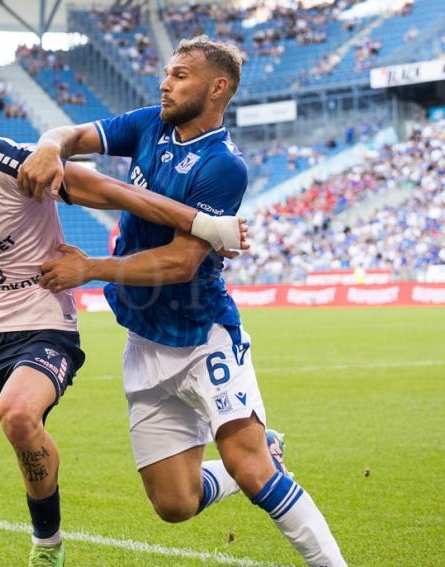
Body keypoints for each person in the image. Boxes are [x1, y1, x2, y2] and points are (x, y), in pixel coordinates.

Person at [0, 71, 246, 567]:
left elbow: (110, 190)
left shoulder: (18, 165)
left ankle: (47, 544)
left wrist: (202, 224)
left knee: (16, 413)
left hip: (44, 327)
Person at [20, 37, 346, 567]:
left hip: (202, 334)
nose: (164, 83)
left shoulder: (223, 166)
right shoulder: (152, 124)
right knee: (174, 504)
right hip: (145, 342)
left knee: (252, 471)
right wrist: (49, 146)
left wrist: (90, 269)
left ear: (216, 88)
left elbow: (178, 264)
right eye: (166, 73)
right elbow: (72, 134)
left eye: (178, 75)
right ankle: (271, 448)